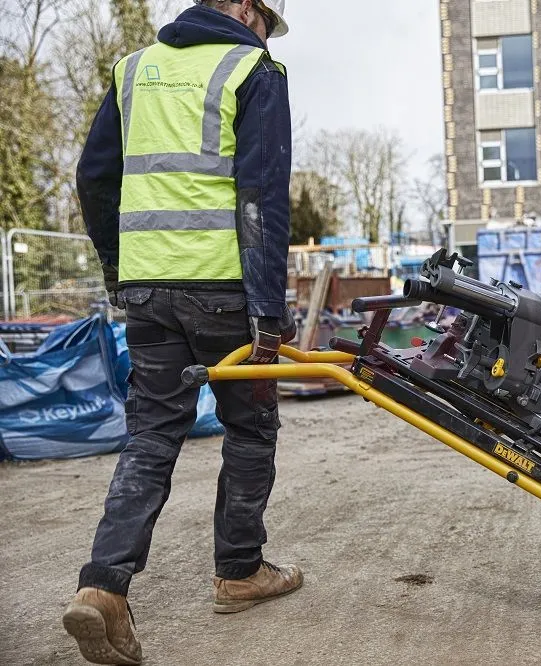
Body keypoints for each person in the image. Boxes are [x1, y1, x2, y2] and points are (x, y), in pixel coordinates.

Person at [63, 2, 297, 664]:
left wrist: (120, 270)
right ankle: (240, 571)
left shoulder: (133, 70)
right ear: (252, 9)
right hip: (224, 292)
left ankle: (103, 587)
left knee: (151, 434)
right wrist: (266, 312)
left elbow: (93, 178)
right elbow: (260, 197)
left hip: (148, 289)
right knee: (251, 429)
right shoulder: (254, 68)